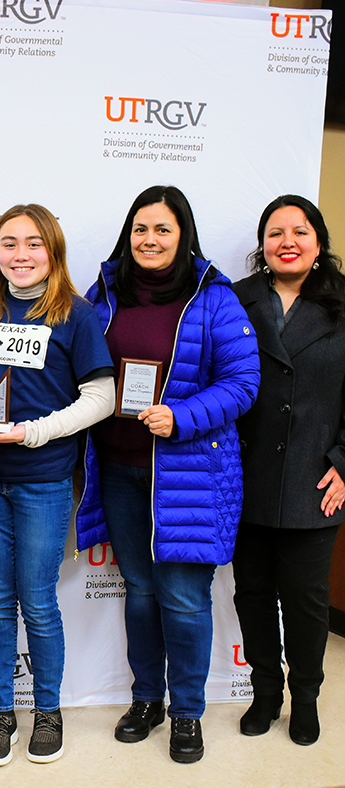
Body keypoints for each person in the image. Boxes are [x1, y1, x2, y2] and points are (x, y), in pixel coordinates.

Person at [75, 185, 259, 764]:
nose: (149, 240)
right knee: (140, 593)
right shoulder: (102, 294)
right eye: (140, 229)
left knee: (182, 598)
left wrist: (180, 416)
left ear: (183, 236)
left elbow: (243, 383)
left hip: (187, 476)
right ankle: (146, 699)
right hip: (118, 469)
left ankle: (187, 714)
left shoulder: (214, 298)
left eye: (162, 230)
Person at [0, 204, 114, 766]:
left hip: (42, 480)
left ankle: (48, 710)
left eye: (33, 244)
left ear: (53, 251)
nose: (20, 255)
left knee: (38, 601)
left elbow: (101, 398)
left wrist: (32, 433)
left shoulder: (77, 314)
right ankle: (1, 713)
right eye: (8, 244)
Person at [232, 195, 345, 746]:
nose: (288, 241)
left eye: (300, 231)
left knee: (304, 600)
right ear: (262, 246)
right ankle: (265, 693)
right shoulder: (234, 300)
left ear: (318, 242)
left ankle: (305, 697)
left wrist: (344, 465)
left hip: (315, 480)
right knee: (251, 594)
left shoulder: (344, 305)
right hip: (244, 476)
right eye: (275, 232)